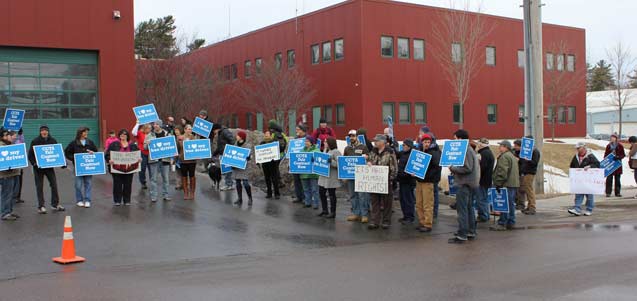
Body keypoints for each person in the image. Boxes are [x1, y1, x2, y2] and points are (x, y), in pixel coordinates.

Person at [448, 129, 480, 244]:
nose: (454, 141)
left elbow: (467, 168)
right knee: (469, 208)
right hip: (470, 183)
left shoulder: (465, 149)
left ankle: (462, 234)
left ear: (460, 139)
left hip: (464, 183)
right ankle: (470, 231)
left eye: (455, 138)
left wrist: (453, 168)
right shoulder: (469, 148)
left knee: (462, 210)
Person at [28, 125, 66, 214]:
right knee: (39, 187)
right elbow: (30, 155)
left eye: (46, 131)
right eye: (42, 131)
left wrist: (63, 162)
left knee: (54, 185)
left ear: (48, 132)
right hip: (38, 168)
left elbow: (57, 153)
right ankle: (41, 206)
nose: (44, 132)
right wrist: (34, 163)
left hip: (49, 168)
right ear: (40, 132)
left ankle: (55, 204)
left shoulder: (53, 141)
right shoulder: (35, 141)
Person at [367, 134, 398, 230]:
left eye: (377, 141)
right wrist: (368, 162)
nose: (375, 142)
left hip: (386, 181)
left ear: (382, 142)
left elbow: (394, 167)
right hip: (374, 181)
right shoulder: (373, 151)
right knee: (375, 201)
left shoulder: (390, 152)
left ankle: (386, 221)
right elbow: (369, 160)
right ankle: (375, 221)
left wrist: (391, 179)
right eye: (375, 141)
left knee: (387, 202)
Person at [64, 127, 99, 208]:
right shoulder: (73, 143)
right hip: (78, 168)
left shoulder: (90, 142)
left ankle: (87, 200)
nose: (86, 133)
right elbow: (67, 152)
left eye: (87, 132)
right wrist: (74, 158)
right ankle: (79, 200)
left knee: (88, 184)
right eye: (85, 132)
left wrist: (92, 152)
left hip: (88, 167)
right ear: (80, 133)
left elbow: (96, 152)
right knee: (78, 185)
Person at [489, 141, 520, 231]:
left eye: (501, 146)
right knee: (510, 204)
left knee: (503, 204)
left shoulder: (505, 156)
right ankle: (511, 222)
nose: (499, 148)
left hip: (506, 184)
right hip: (512, 183)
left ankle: (502, 222)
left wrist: (498, 183)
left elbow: (502, 171)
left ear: (506, 147)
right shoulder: (512, 156)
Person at [106, 129, 141, 206]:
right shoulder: (114, 144)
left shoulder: (132, 145)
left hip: (129, 169)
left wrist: (139, 159)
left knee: (128, 184)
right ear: (119, 135)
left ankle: (127, 200)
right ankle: (117, 200)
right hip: (117, 168)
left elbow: (138, 154)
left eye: (124, 135)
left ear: (127, 136)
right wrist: (109, 160)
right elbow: (107, 154)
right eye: (121, 134)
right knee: (117, 184)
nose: (123, 136)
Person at [415, 135, 441, 232]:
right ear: (422, 142)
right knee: (419, 203)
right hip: (419, 181)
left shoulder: (434, 153)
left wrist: (426, 176)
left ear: (430, 143)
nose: (426, 144)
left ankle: (428, 224)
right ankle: (422, 221)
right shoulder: (420, 152)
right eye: (424, 142)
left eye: (428, 142)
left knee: (427, 204)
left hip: (428, 182)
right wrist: (415, 173)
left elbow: (437, 168)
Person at [344, 129, 370, 223]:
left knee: (362, 195)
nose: (352, 138)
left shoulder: (363, 147)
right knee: (353, 195)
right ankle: (356, 213)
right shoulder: (347, 148)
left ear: (357, 137)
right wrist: (344, 176)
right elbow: (344, 163)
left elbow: (368, 159)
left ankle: (364, 214)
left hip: (361, 176)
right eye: (350, 136)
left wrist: (367, 158)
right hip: (350, 176)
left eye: (353, 136)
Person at [568, 142, 600, 216]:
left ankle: (589, 209)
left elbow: (597, 164)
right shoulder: (576, 157)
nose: (577, 149)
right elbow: (572, 166)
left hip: (588, 180)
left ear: (583, 148)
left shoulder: (590, 156)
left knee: (589, 195)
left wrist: (590, 166)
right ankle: (577, 209)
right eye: (577, 148)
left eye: (579, 148)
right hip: (579, 179)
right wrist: (572, 174)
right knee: (578, 194)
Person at [144, 120, 173, 202]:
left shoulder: (167, 134)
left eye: (157, 124)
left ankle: (166, 195)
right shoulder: (149, 135)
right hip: (154, 160)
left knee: (166, 179)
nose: (155, 126)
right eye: (154, 124)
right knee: (153, 179)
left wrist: (172, 158)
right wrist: (148, 144)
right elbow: (145, 147)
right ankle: (154, 196)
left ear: (160, 125)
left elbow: (171, 146)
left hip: (165, 160)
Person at [513, 137, 541, 215]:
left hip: (530, 172)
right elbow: (522, 161)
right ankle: (529, 206)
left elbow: (535, 163)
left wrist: (528, 160)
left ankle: (532, 207)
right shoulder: (525, 151)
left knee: (529, 189)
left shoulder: (535, 151)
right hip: (525, 172)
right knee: (526, 189)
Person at [318, 137, 341, 218]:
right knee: (321, 193)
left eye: (326, 142)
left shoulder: (336, 152)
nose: (324, 143)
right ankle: (324, 210)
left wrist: (331, 161)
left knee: (331, 194)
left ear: (330, 143)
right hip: (323, 176)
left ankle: (333, 212)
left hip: (331, 177)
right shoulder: (325, 150)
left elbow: (339, 164)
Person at [1, 129, 20, 221]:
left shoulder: (10, 145)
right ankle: (5, 213)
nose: (9, 136)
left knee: (11, 193)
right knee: (6, 194)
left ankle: (9, 211)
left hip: (13, 173)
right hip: (5, 175)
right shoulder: (2, 146)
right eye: (6, 135)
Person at [397, 139, 416, 224]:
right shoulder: (403, 153)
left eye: (404, 145)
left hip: (408, 181)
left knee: (408, 199)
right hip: (402, 180)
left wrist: (407, 174)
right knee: (402, 199)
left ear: (409, 146)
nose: (403, 146)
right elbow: (395, 152)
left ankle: (410, 217)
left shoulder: (413, 155)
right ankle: (405, 216)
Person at [475, 138, 494, 222]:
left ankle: (483, 215)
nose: (477, 146)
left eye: (478, 144)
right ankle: (486, 214)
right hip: (487, 179)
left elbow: (482, 168)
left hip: (482, 180)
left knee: (481, 199)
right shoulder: (489, 152)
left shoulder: (483, 154)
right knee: (485, 198)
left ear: (481, 145)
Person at [212, 123, 236, 191]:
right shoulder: (220, 133)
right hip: (223, 153)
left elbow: (232, 140)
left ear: (216, 129)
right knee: (226, 170)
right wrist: (215, 153)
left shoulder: (225, 131)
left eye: (214, 130)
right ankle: (229, 183)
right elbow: (220, 146)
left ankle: (228, 184)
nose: (214, 132)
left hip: (227, 153)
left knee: (227, 170)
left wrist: (230, 150)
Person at [176, 124, 198, 200]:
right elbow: (177, 148)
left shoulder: (193, 138)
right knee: (184, 176)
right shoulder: (180, 138)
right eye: (188, 129)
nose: (190, 130)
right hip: (183, 160)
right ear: (185, 130)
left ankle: (192, 193)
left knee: (192, 177)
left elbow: (198, 148)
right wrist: (178, 155)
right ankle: (185, 193)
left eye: (191, 129)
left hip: (192, 161)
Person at [233, 131, 253, 207]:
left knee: (245, 183)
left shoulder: (247, 146)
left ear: (241, 137)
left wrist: (249, 157)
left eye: (238, 135)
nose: (236, 136)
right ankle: (239, 198)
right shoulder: (235, 144)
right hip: (236, 166)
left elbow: (251, 156)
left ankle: (250, 198)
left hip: (244, 166)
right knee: (238, 183)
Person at [259, 130, 281, 199]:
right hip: (265, 164)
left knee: (274, 179)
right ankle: (269, 193)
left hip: (273, 163)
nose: (266, 135)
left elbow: (277, 152)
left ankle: (277, 193)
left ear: (271, 135)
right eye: (265, 134)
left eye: (267, 134)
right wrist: (258, 160)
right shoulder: (262, 143)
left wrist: (276, 160)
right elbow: (259, 153)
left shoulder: (274, 143)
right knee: (267, 178)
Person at [268, 120, 288, 193]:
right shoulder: (282, 134)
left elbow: (269, 143)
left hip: (275, 154)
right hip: (282, 154)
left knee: (274, 170)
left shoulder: (272, 134)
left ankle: (278, 182)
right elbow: (287, 141)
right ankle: (279, 182)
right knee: (276, 168)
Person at [301, 136, 321, 209]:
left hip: (313, 174)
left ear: (311, 143)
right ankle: (308, 202)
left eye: (307, 141)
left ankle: (316, 204)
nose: (306, 143)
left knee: (315, 190)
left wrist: (314, 158)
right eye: (305, 141)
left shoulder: (316, 150)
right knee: (306, 189)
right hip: (304, 173)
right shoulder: (302, 150)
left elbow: (319, 158)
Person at [132, 123, 152, 189]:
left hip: (150, 154)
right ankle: (143, 182)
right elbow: (133, 133)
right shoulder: (140, 133)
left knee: (151, 169)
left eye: (150, 128)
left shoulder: (152, 134)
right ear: (145, 128)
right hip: (142, 153)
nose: (149, 129)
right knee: (142, 168)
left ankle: (152, 182)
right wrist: (137, 123)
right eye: (148, 128)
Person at [292, 124, 308, 204]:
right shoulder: (295, 139)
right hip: (295, 163)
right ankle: (299, 197)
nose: (296, 131)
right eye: (296, 129)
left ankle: (305, 197)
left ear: (303, 130)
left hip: (304, 163)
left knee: (304, 181)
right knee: (296, 180)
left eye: (298, 129)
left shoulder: (307, 139)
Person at [11, 128, 25, 204]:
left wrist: (21, 134)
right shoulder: (9, 137)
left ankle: (17, 196)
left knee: (19, 180)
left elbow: (23, 142)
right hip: (12, 161)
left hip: (19, 161)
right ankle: (13, 196)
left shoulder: (19, 138)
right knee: (13, 180)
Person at [173, 126, 184, 191]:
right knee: (177, 171)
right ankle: (178, 184)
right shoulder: (173, 138)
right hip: (176, 157)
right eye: (175, 130)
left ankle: (184, 183)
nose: (176, 132)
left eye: (177, 130)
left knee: (183, 171)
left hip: (182, 156)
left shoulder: (183, 138)